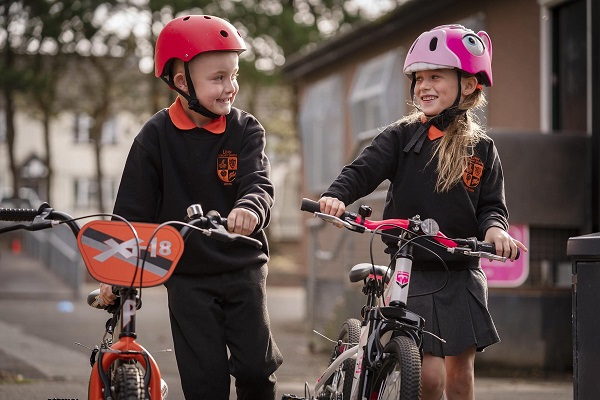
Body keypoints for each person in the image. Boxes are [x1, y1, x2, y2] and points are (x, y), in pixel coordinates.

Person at [317, 25, 527, 400]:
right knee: (429, 376)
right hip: (410, 269)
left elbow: (492, 207)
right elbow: (361, 171)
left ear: (467, 84)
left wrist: (495, 231)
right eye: (418, 78)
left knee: (460, 373)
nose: (423, 87)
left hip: (460, 270)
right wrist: (336, 196)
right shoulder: (400, 137)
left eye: (435, 77)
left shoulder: (481, 149)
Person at [98, 15, 282, 400]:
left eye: (234, 76)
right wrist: (116, 274)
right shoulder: (154, 137)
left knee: (255, 368)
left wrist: (250, 207)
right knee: (205, 380)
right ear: (181, 82)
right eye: (218, 78)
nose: (230, 87)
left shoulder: (246, 130)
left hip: (241, 264)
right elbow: (133, 213)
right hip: (186, 273)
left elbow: (257, 183)